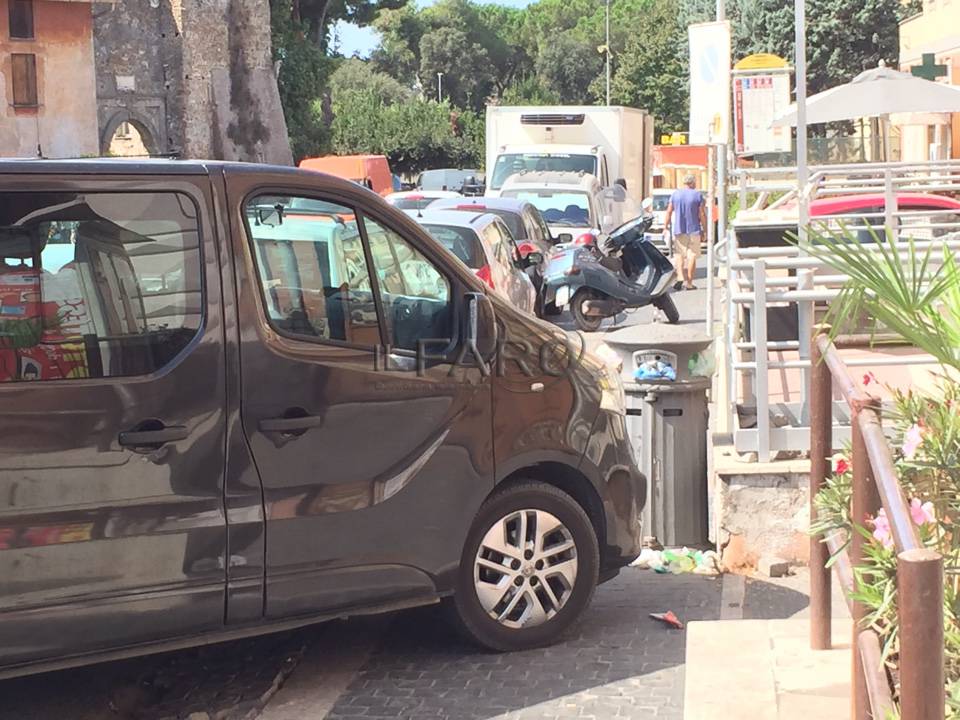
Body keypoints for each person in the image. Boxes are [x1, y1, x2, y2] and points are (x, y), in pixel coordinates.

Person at [663, 174, 707, 291]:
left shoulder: (675, 194)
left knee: (679, 255)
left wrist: (665, 226)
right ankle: (689, 283)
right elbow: (701, 214)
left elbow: (669, 211)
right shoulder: (697, 195)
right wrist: (705, 229)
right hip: (694, 229)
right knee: (692, 255)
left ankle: (680, 277)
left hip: (679, 229)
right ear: (693, 183)